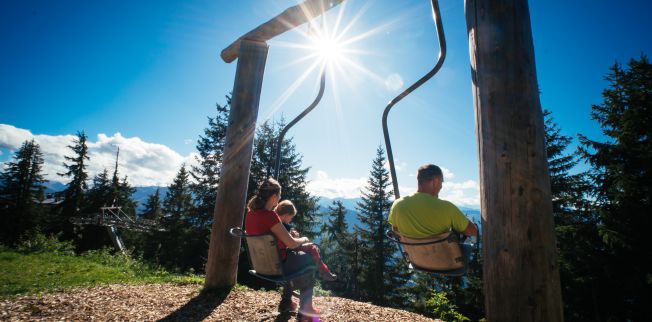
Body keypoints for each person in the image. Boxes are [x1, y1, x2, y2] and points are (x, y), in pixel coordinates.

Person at [244, 178, 320, 319]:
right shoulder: (270, 216)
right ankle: (305, 310)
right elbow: (291, 244)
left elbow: (271, 235)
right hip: (278, 266)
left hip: (260, 265)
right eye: (279, 196)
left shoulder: (250, 214)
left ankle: (287, 303)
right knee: (309, 260)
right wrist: (303, 239)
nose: (279, 199)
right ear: (273, 197)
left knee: (298, 260)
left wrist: (287, 236)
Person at [388, 163, 477, 242]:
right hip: (444, 258)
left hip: (414, 258)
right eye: (441, 182)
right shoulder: (447, 208)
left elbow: (395, 231)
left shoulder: (397, 205)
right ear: (435, 181)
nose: (441, 186)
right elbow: (472, 231)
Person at [275, 200, 337, 281]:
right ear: (286, 215)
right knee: (312, 247)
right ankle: (324, 272)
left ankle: (324, 272)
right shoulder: (283, 226)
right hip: (284, 256)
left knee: (312, 248)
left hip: (275, 254)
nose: (291, 219)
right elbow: (291, 243)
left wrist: (292, 235)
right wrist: (300, 238)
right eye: (291, 217)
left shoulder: (274, 222)